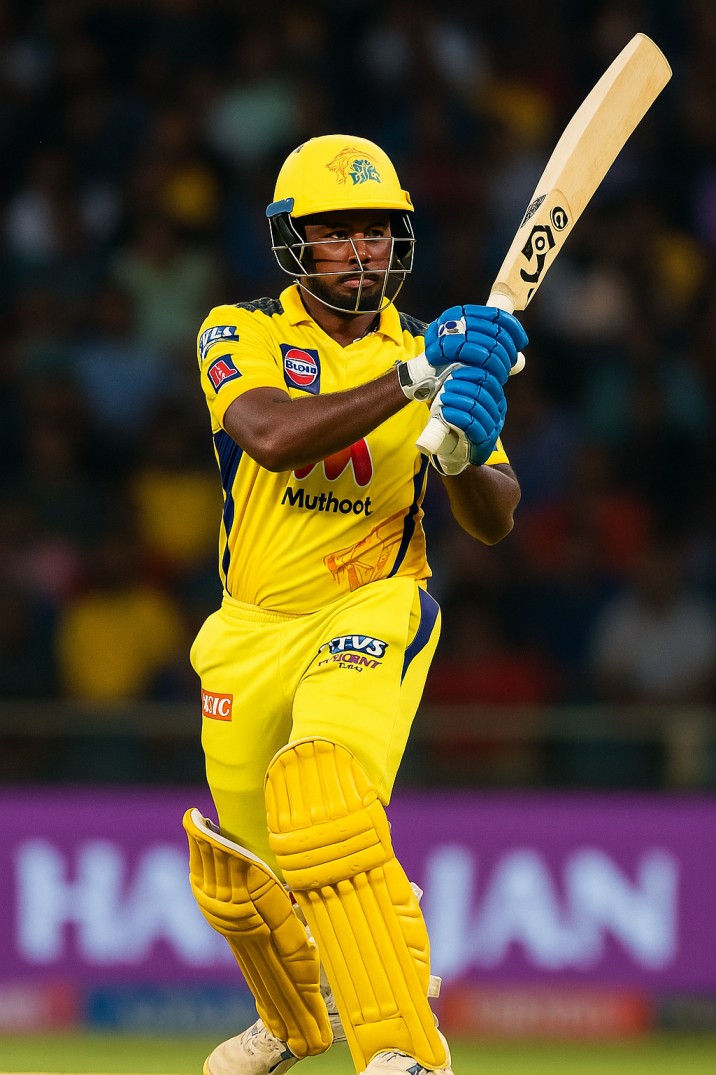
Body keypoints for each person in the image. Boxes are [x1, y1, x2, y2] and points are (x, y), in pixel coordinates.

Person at [183, 134, 527, 1075]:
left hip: (372, 604)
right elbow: (271, 437)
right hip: (250, 626)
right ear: (295, 240)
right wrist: (417, 384)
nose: (361, 252)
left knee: (323, 790)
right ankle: (298, 1018)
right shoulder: (238, 328)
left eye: (376, 233)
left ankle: (400, 1049)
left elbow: (495, 516)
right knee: (243, 878)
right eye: (337, 234)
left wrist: (460, 449)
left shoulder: (433, 350)